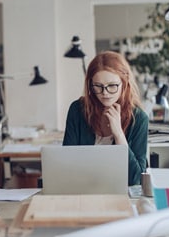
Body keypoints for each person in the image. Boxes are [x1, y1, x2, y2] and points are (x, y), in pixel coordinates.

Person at [63, 51, 148, 185]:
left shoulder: (139, 118)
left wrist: (119, 134)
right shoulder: (77, 110)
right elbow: (66, 163)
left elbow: (136, 179)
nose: (105, 93)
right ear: (90, 85)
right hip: (81, 188)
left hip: (120, 193)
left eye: (112, 86)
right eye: (98, 86)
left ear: (124, 83)